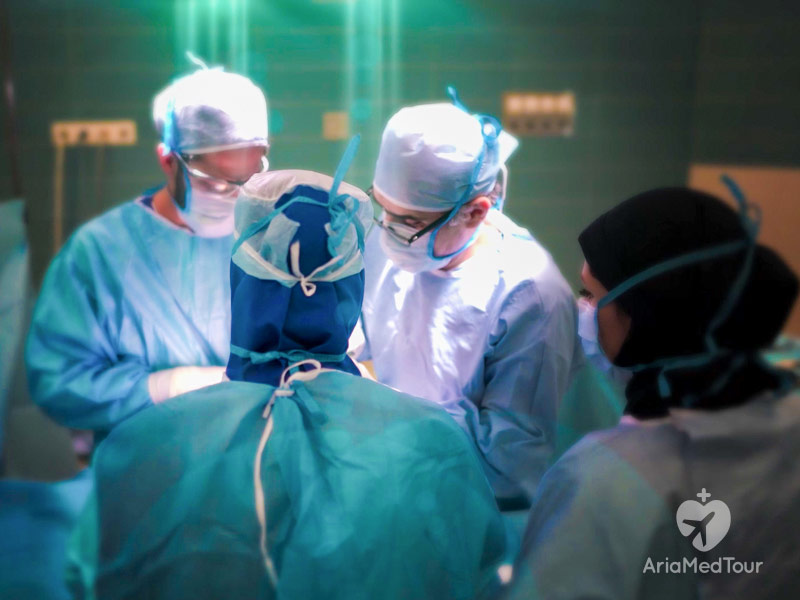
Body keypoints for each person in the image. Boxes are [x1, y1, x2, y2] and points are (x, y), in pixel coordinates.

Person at [80, 140, 509, 599]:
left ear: (240, 280)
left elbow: (94, 579)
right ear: (350, 288)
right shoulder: (433, 441)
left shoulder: (142, 447)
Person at [505, 182, 800, 599]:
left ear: (647, 313)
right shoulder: (788, 428)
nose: (583, 311)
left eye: (592, 294)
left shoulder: (603, 481)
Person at [25, 62, 269, 439]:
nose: (237, 195)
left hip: (259, 471)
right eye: (218, 184)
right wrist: (166, 387)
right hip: (147, 476)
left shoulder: (273, 237)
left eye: (249, 179)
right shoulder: (101, 253)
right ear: (168, 161)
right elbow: (58, 381)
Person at [359, 91, 579, 508]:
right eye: (382, 208)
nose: (387, 230)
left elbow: (512, 463)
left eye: (408, 221)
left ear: (476, 211)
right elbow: (372, 337)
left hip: (472, 513)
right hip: (392, 483)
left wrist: (381, 421)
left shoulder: (529, 296)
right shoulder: (393, 242)